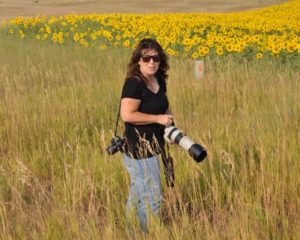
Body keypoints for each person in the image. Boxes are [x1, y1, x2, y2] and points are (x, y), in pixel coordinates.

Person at [120, 38, 173, 232]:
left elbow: (164, 105)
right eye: (146, 58)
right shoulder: (134, 84)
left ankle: (130, 232)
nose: (152, 62)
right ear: (138, 61)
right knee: (153, 199)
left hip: (154, 148)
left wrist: (169, 125)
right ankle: (142, 233)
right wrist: (158, 119)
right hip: (138, 151)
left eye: (156, 57)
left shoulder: (158, 80)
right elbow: (128, 115)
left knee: (137, 193)